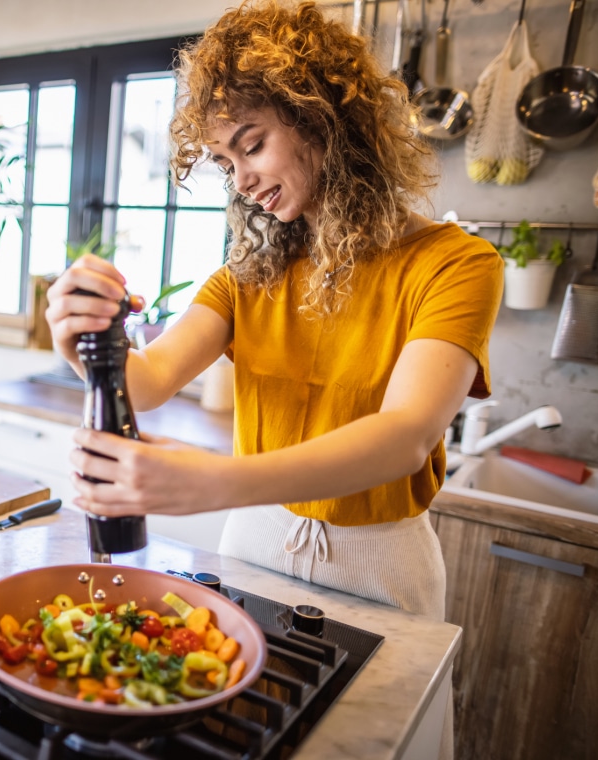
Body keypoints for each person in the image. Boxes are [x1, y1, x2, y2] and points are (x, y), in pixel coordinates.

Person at [45, 0, 503, 622]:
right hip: (255, 539)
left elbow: (406, 437)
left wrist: (213, 480)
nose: (241, 181)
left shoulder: (455, 263)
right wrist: (79, 337)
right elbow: (144, 382)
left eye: (252, 146)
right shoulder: (249, 274)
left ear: (322, 120)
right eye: (227, 164)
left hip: (382, 560)